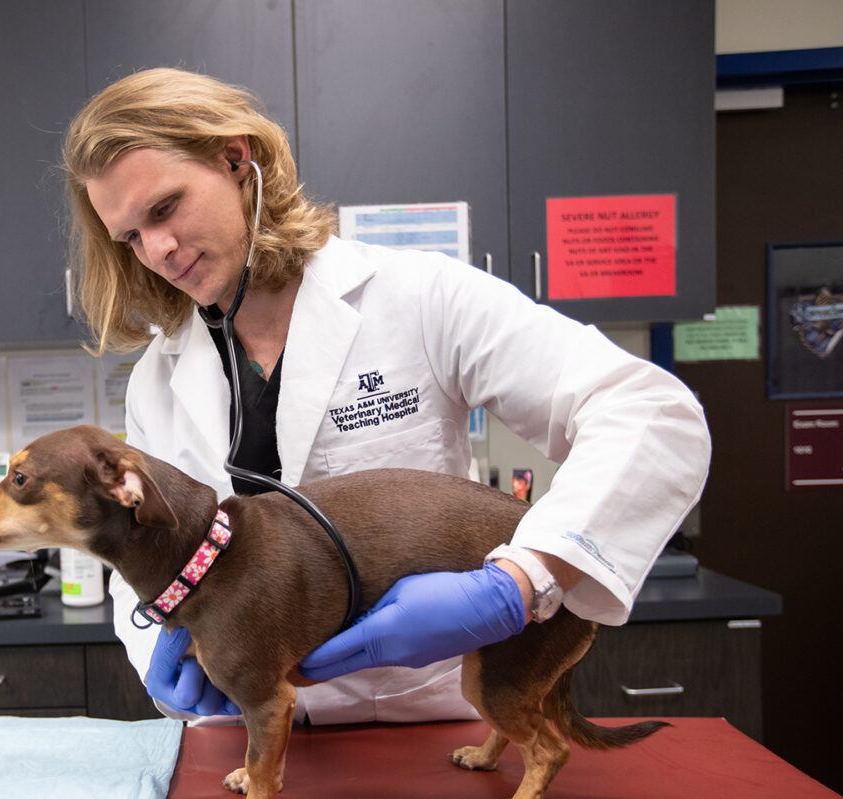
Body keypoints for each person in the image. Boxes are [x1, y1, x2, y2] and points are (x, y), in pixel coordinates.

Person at [61, 68, 711, 725]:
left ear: (236, 159)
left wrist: (522, 582)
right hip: (251, 730)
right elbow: (134, 551)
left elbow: (651, 413)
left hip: (419, 720)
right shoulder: (158, 377)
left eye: (165, 208)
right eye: (131, 238)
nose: (159, 249)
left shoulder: (419, 298)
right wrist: (159, 654)